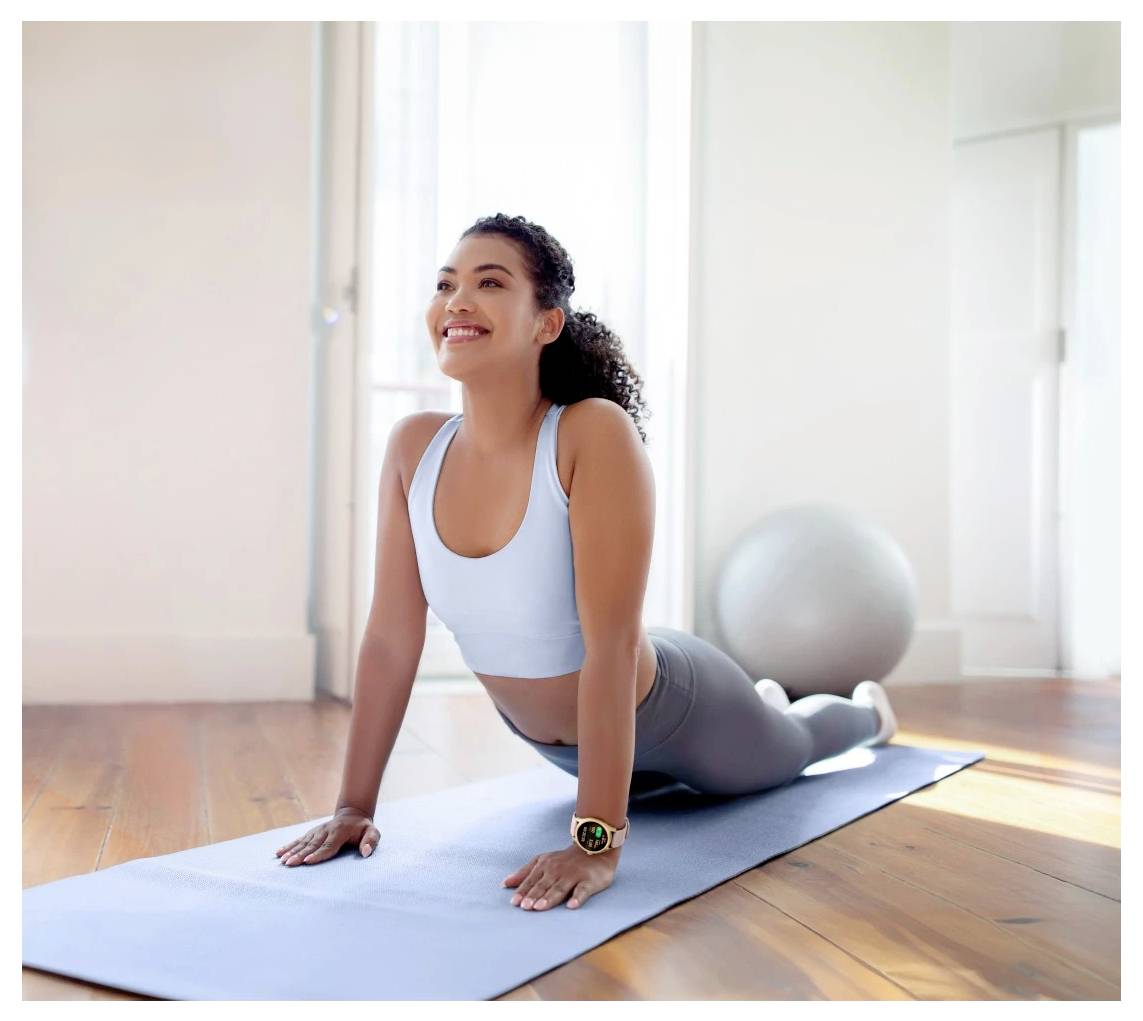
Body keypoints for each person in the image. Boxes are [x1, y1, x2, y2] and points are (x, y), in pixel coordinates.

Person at [274, 214, 898, 913]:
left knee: (791, 751)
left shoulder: (589, 432)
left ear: (546, 323)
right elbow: (390, 638)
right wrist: (353, 805)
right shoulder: (413, 447)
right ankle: (766, 705)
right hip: (568, 748)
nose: (456, 300)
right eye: (445, 283)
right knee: (670, 795)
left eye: (489, 282)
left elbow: (611, 645)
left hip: (673, 708)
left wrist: (596, 843)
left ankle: (864, 715)